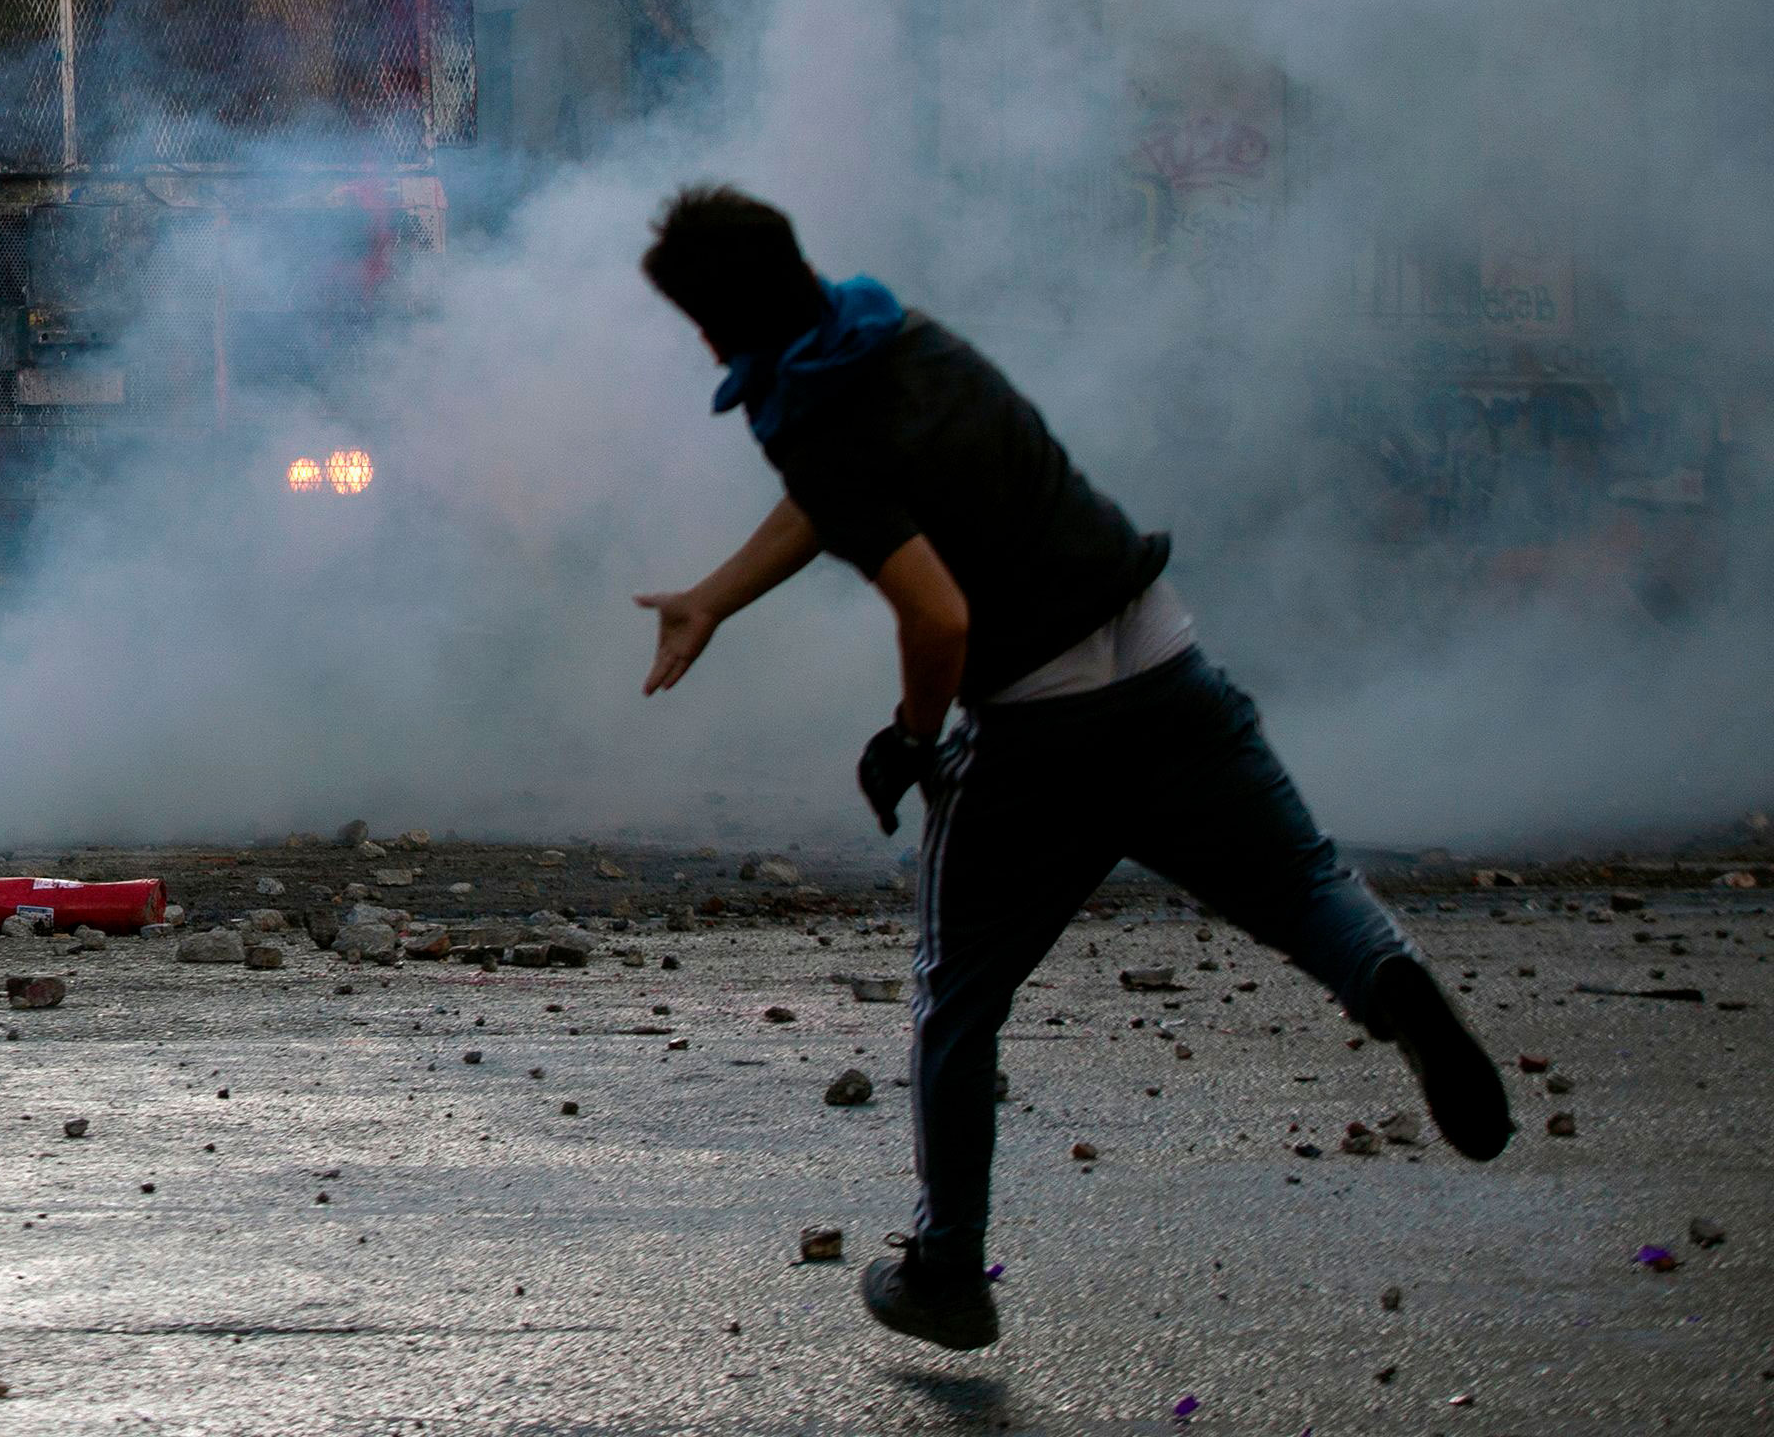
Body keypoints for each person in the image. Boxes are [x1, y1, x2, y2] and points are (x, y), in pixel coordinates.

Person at [631, 185, 1510, 1353]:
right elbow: (845, 502)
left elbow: (932, 611)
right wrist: (715, 598)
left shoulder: (808, 417)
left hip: (1037, 729)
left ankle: (948, 1271)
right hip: (1162, 654)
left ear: (708, 327)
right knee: (1305, 884)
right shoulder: (899, 333)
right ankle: (1393, 984)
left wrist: (912, 734)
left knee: (956, 1001)